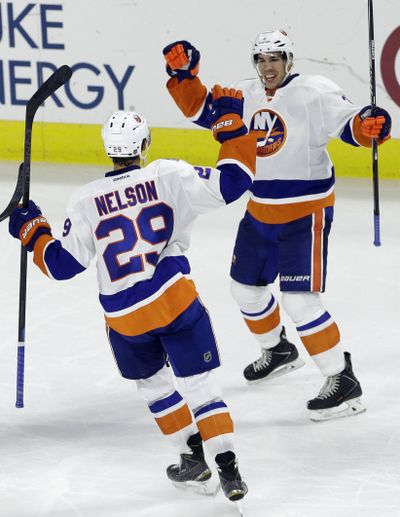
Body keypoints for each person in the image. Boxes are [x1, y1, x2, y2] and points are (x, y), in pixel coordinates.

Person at [8, 87, 257, 503]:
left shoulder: (85, 199)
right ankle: (229, 471)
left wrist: (33, 231)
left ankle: (191, 461)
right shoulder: (168, 174)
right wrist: (230, 130)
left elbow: (61, 265)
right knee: (200, 387)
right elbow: (235, 182)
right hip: (173, 301)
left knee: (156, 387)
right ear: (144, 145)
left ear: (108, 150)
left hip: (124, 318)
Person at [162, 30, 392, 421]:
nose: (268, 67)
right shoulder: (244, 92)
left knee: (300, 301)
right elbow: (201, 109)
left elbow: (352, 123)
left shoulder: (316, 91)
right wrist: (182, 75)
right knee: (245, 290)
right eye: (262, 60)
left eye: (275, 59)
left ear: (289, 60)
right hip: (261, 209)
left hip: (306, 212)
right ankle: (279, 350)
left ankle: (343, 380)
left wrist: (373, 124)